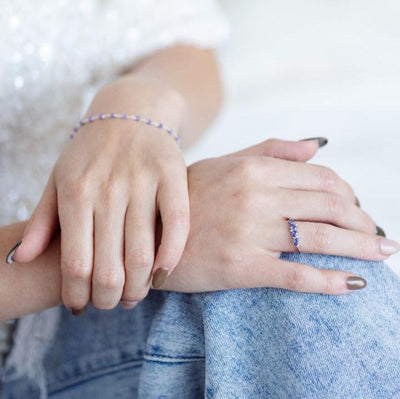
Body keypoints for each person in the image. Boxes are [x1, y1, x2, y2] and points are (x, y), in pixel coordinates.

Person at [1, 1, 399, 398]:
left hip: (65, 317)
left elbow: (184, 45)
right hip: (33, 298)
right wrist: (139, 234)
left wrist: (135, 106)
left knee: (304, 271)